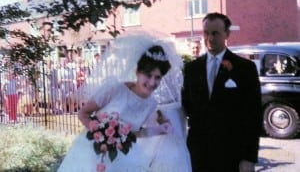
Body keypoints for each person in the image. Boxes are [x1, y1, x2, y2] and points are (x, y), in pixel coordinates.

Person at [57, 34, 192, 172]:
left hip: (123, 156)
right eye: (148, 75)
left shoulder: (151, 104)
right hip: (91, 152)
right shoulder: (114, 89)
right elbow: (83, 113)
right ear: (137, 72)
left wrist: (160, 129)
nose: (152, 82)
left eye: (157, 77)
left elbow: (134, 134)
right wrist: (100, 134)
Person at [182, 12, 262, 172]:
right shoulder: (191, 69)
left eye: (215, 33)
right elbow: (186, 106)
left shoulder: (244, 68)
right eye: (206, 33)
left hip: (232, 154)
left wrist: (249, 157)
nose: (210, 38)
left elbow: (254, 115)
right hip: (198, 154)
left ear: (227, 34)